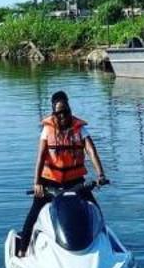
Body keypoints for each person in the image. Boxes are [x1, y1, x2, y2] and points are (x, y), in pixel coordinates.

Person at [15, 90, 109, 256]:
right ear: (53, 113)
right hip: (50, 182)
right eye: (58, 113)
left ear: (69, 109)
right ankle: (22, 249)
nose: (63, 116)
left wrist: (100, 175)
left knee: (95, 209)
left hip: (75, 182)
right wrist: (37, 183)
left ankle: (106, 248)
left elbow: (91, 151)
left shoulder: (80, 129)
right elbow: (41, 157)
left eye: (65, 111)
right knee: (34, 212)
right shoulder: (47, 130)